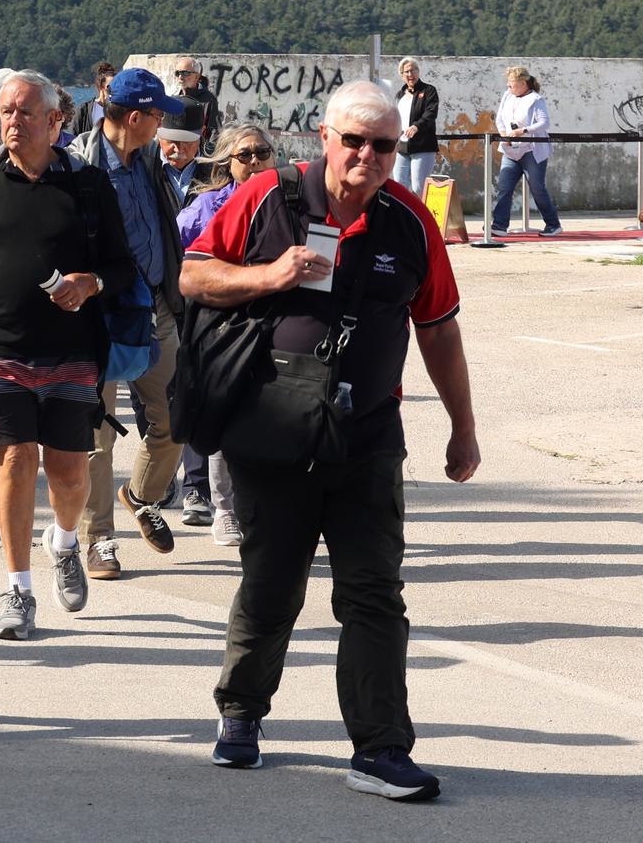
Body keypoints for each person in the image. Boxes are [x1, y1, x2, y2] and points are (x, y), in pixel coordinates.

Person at [182, 80, 479, 801]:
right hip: (274, 429)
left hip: (367, 435)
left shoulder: (410, 222)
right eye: (355, 141)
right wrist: (266, 275)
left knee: (375, 595)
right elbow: (189, 274)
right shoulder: (265, 199)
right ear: (325, 138)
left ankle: (380, 749)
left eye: (383, 145)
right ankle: (242, 713)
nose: (368, 156)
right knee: (272, 584)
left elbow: (438, 327)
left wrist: (463, 428)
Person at [0, 71, 135, 641]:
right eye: (5, 112)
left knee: (69, 473)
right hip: (0, 347)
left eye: (25, 113)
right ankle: (18, 588)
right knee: (16, 459)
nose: (13, 123)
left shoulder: (90, 185)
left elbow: (124, 269)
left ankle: (66, 540)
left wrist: (89, 282)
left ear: (55, 121)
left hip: (73, 352)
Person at [66, 68, 189, 581]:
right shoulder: (75, 163)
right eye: (159, 115)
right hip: (97, 312)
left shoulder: (151, 161)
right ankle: (98, 540)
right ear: (135, 117)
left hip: (155, 304)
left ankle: (140, 495)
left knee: (179, 413)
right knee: (98, 435)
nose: (164, 124)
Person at [172, 123, 277, 540]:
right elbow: (172, 251)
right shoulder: (206, 207)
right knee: (223, 415)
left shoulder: (288, 201)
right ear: (226, 163)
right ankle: (223, 509)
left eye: (262, 152)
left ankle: (265, 506)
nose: (255, 161)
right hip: (220, 329)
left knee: (270, 418)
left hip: (274, 325)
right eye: (245, 155)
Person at [490, 65, 563, 237]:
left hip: (532, 150)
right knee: (504, 187)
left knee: (537, 188)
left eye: (512, 84)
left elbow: (544, 123)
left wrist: (523, 131)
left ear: (523, 83)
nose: (508, 88)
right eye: (508, 84)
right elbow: (500, 118)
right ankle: (499, 225)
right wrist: (504, 136)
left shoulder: (536, 99)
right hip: (510, 150)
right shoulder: (507, 95)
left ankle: (553, 224)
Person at [391, 58, 440, 193]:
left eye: (414, 70)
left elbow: (431, 113)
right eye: (406, 71)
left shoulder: (429, 91)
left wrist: (416, 126)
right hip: (401, 147)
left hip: (422, 146)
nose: (410, 74)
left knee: (419, 187)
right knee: (399, 188)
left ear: (418, 72)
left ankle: (424, 214)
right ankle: (403, 214)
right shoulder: (399, 95)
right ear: (402, 75)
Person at [169, 56, 222, 155]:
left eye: (185, 73)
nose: (180, 77)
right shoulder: (173, 97)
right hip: (175, 151)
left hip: (198, 153)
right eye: (178, 73)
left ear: (197, 77)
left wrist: (208, 157)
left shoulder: (208, 99)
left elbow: (214, 130)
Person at [157, 111, 209, 208]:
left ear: (202, 132)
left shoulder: (218, 167)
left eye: (187, 141)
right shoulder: (144, 164)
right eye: (172, 141)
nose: (179, 149)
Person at [72, 61, 115, 136]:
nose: (114, 90)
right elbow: (74, 138)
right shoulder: (84, 111)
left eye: (117, 86)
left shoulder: (120, 110)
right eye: (110, 87)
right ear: (101, 87)